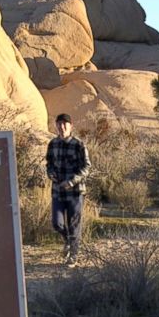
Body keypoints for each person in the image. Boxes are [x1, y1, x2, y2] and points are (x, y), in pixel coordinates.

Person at [46, 113, 91, 266]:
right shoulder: (52, 144)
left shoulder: (79, 144)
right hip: (58, 191)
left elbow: (86, 167)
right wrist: (51, 174)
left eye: (65, 124)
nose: (62, 127)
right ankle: (67, 241)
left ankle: (74, 255)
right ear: (56, 126)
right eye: (59, 124)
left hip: (75, 192)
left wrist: (71, 182)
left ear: (71, 126)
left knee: (74, 224)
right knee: (56, 223)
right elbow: (49, 164)